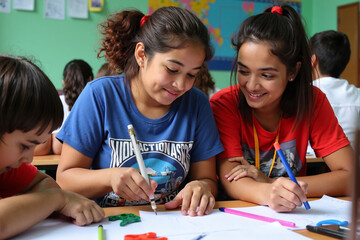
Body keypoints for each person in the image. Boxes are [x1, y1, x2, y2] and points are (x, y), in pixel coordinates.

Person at [56, 7, 223, 217]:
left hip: (175, 224)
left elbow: (207, 179)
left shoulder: (197, 104)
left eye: (192, 75)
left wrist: (202, 188)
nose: (181, 85)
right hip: (107, 221)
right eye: (172, 69)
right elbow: (64, 179)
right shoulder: (100, 96)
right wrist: (110, 178)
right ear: (141, 54)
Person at [210, 4, 353, 212]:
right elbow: (231, 180)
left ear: (293, 71)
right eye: (243, 71)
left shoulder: (312, 101)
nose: (251, 85)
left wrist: (273, 184)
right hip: (240, 214)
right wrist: (270, 193)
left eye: (266, 75)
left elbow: (350, 175)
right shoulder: (225, 103)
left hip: (292, 217)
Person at [0, 55, 104, 239]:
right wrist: (57, 199)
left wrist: (51, 199)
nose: (29, 159)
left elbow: (46, 183)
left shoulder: (5, 170)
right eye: (25, 146)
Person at [309, 30, 360, 149]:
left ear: (313, 60)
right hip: (353, 165)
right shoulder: (357, 95)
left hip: (310, 165)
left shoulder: (302, 95)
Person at [52, 59, 94, 154]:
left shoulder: (57, 102)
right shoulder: (94, 102)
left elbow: (57, 148)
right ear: (90, 79)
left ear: (63, 82)